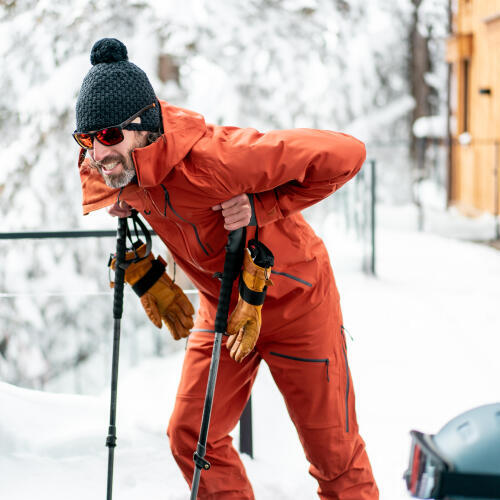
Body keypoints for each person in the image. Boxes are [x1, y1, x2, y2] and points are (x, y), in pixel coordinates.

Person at [74, 37, 379, 499]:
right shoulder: (117, 166)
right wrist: (122, 199)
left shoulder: (222, 158)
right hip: (222, 312)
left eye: (110, 137)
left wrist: (265, 204)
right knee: (191, 435)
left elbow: (347, 152)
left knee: (334, 458)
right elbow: (104, 168)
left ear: (146, 127)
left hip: (297, 305)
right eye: (87, 139)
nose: (97, 154)